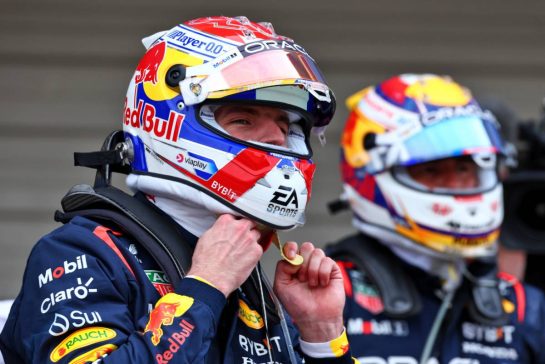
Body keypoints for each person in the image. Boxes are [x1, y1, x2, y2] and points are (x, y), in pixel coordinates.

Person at [0, 16, 358, 364]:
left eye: (286, 126)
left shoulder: (251, 280)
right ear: (169, 122)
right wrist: (205, 288)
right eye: (243, 120)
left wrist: (321, 336)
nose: (277, 140)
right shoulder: (82, 253)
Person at [326, 74, 545, 363]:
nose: (456, 185)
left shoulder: (523, 307)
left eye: (465, 169)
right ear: (371, 174)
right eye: (432, 171)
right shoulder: (325, 292)